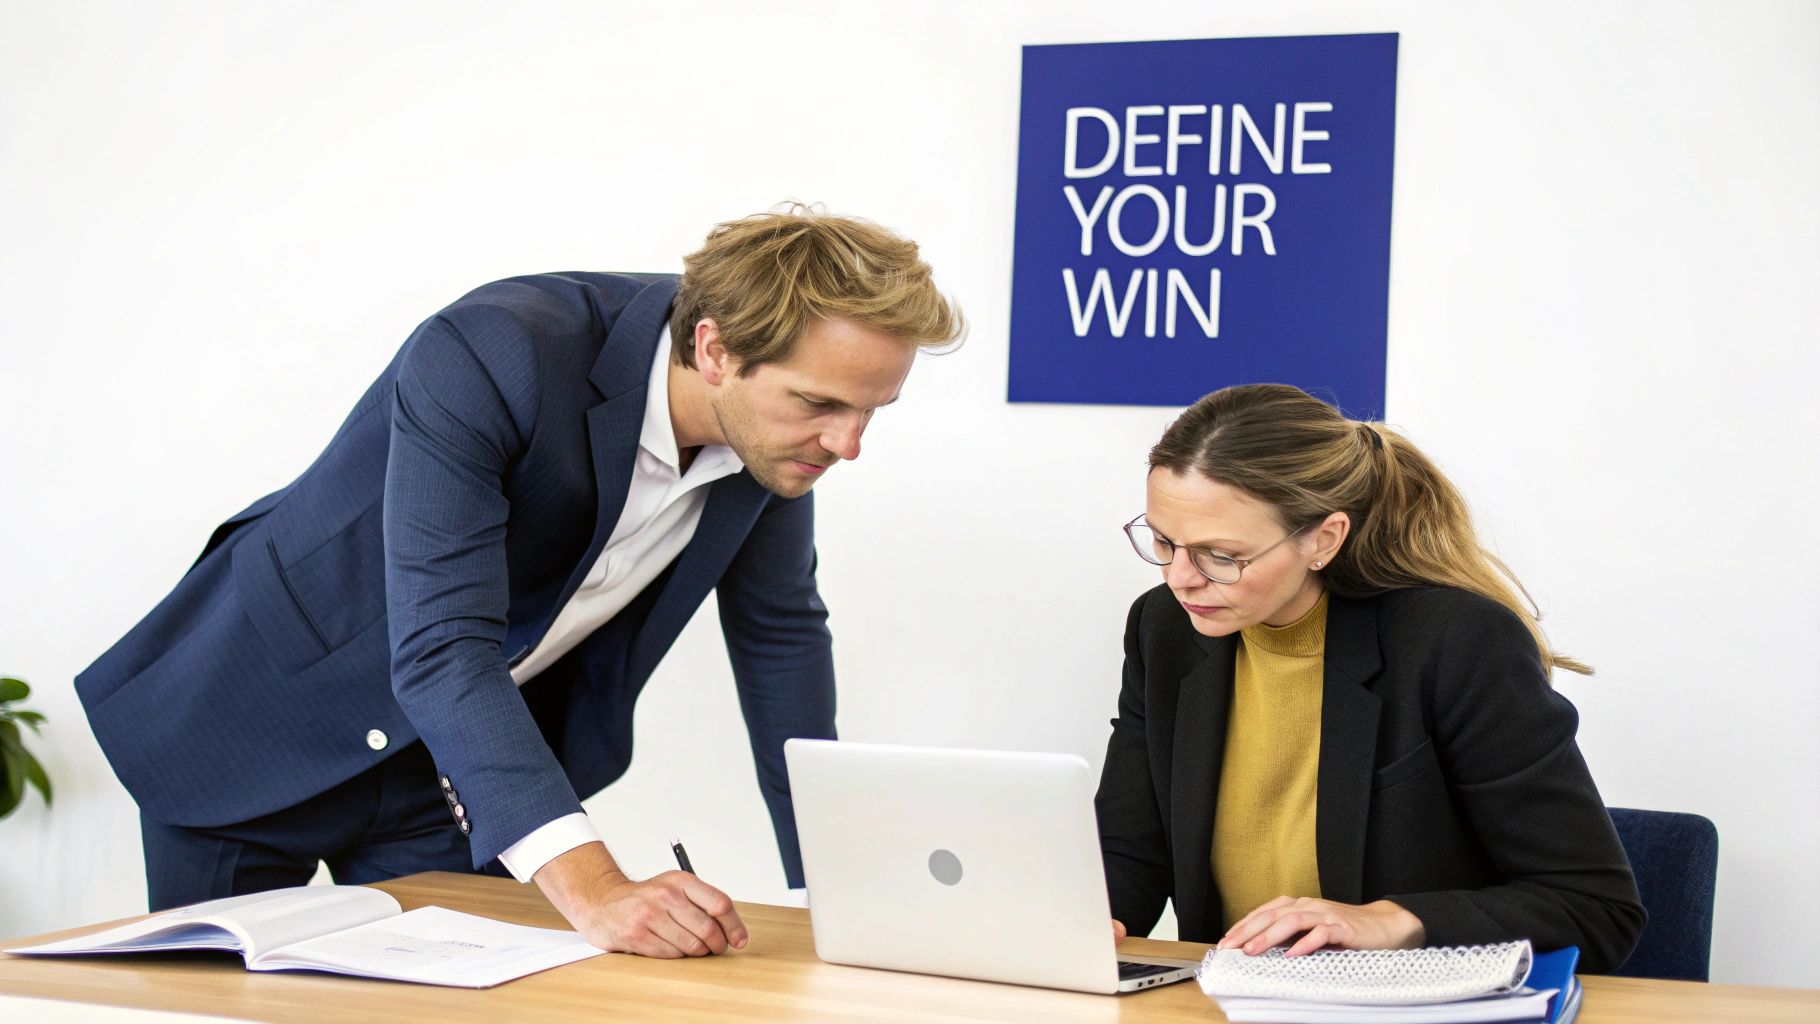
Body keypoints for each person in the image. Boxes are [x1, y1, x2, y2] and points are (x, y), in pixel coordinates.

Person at [75, 205, 963, 959]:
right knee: (217, 1008)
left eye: (871, 411)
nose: (848, 445)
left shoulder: (772, 449)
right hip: (252, 724)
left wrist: (835, 900)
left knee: (473, 1000)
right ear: (715, 349)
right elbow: (444, 644)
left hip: (448, 773)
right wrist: (598, 888)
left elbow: (781, 645)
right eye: (820, 403)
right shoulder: (498, 349)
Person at [1095, 383, 1644, 973]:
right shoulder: (1163, 628)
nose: (1180, 578)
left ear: (1323, 539)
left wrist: (1390, 920)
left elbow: (1595, 907)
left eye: (1221, 556)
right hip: (1232, 999)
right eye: (1164, 541)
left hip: (1402, 1001)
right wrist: (1087, 914)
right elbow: (1131, 851)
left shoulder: (1455, 641)